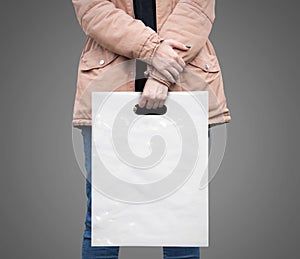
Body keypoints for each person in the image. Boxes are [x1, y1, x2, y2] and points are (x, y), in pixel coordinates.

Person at [71, 0, 231, 258]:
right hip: (109, 91)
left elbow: (197, 7)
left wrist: (161, 75)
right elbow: (93, 8)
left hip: (182, 85)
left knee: (182, 219)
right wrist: (153, 50)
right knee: (104, 217)